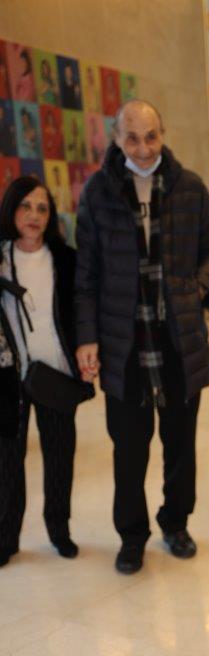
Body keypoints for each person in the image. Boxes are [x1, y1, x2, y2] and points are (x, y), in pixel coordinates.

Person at [75, 99, 209, 574]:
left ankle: (175, 523)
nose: (143, 148)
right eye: (132, 138)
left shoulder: (189, 187)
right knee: (129, 450)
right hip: (124, 347)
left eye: (151, 137)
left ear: (163, 134)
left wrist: (197, 288)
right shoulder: (98, 192)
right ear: (116, 139)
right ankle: (132, 535)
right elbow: (86, 274)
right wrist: (87, 337)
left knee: (180, 446)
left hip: (179, 343)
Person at [0, 177, 84, 566]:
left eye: (42, 208)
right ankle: (6, 537)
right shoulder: (1, 257)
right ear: (11, 209)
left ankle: (59, 531)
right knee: (7, 463)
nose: (34, 215)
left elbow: (80, 311)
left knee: (59, 457)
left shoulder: (65, 259)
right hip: (8, 378)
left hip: (56, 374)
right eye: (25, 206)